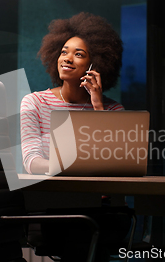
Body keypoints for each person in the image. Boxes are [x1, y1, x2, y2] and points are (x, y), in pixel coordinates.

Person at [21, 12, 124, 175]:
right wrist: (79, 166)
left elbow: (115, 162)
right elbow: (31, 162)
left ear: (95, 65)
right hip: (55, 196)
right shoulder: (35, 103)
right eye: (63, 52)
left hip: (99, 199)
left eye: (78, 54)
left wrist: (98, 107)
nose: (67, 59)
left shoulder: (113, 110)